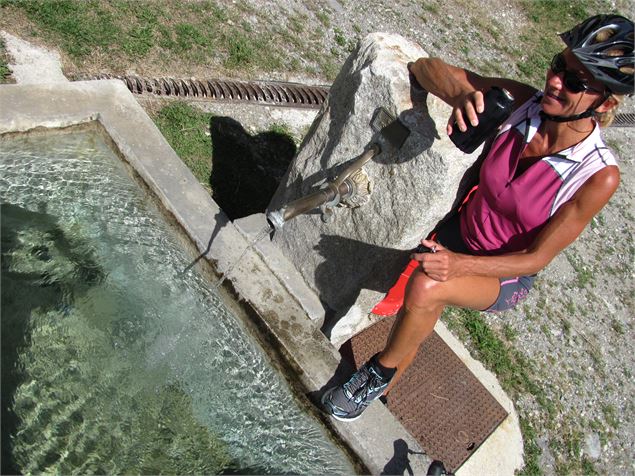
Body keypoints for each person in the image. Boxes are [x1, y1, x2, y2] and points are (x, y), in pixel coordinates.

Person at [321, 14, 634, 421]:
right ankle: (374, 398)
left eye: (576, 81)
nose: (556, 81)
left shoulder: (597, 175)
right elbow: (424, 68)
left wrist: (459, 264)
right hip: (459, 234)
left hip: (504, 274)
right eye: (559, 65)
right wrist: (462, 95)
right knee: (423, 306)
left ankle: (377, 374)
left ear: (606, 102)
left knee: (428, 287)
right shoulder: (523, 104)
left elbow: (536, 259)